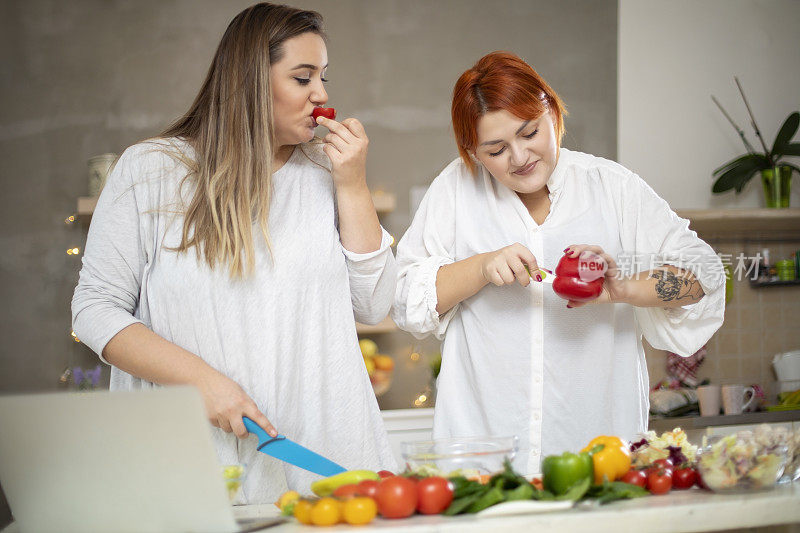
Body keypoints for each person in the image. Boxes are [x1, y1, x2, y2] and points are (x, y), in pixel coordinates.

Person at [71, 3, 396, 503]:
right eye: (303, 77)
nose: (322, 95)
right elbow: (95, 309)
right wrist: (202, 383)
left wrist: (352, 185)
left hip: (327, 466)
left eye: (323, 77)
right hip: (191, 466)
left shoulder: (327, 174)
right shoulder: (152, 170)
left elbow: (374, 304)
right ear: (249, 81)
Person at [392, 51, 725, 475]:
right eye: (495, 150)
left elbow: (706, 276)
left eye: (529, 133)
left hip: (600, 459)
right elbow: (406, 299)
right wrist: (480, 268)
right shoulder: (455, 190)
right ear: (473, 153)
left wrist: (619, 288)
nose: (519, 157)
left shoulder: (613, 188)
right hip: (482, 461)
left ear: (549, 108)